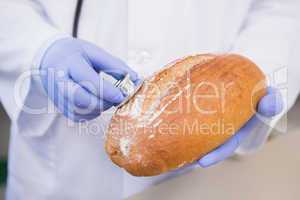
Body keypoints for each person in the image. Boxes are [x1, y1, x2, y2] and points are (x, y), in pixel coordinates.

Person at [0, 0, 299, 199]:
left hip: (198, 174)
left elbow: (281, 9)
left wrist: (256, 76)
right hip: (62, 170)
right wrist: (36, 48)